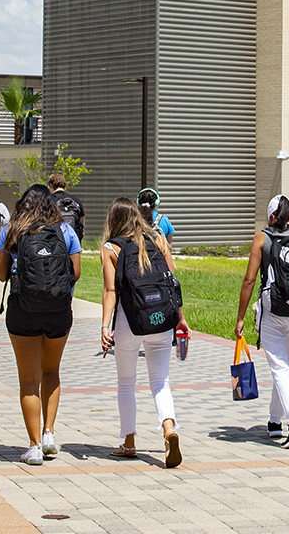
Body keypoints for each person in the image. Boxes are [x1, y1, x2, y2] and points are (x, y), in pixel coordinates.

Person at [0, 185, 82, 465]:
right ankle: (49, 435)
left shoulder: (11, 230)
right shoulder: (65, 231)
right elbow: (76, 273)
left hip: (23, 309)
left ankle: (33, 447)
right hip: (58, 310)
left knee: (29, 379)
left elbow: (0, 274)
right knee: (51, 371)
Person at [98, 196, 187, 468]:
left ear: (113, 219)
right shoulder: (158, 240)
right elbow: (173, 283)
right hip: (161, 321)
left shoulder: (110, 248)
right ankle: (169, 428)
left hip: (129, 322)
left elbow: (110, 291)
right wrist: (181, 320)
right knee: (160, 381)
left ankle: (129, 441)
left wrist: (104, 326)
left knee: (126, 382)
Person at [232, 195, 289, 448]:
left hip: (272, 312)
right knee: (285, 368)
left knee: (280, 369)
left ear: (271, 216)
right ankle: (273, 421)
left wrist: (240, 318)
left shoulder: (263, 238)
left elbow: (249, 281)